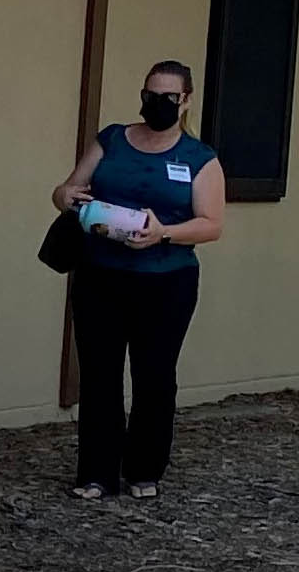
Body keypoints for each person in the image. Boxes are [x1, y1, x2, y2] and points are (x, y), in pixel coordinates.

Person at [49, 58, 227, 498]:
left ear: (185, 101)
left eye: (167, 98)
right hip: (101, 274)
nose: (156, 104)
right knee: (98, 373)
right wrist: (67, 197)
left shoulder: (199, 159)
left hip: (166, 280)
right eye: (150, 96)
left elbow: (211, 224)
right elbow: (66, 189)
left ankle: (145, 468)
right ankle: (95, 473)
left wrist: (163, 233)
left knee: (154, 375)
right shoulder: (112, 139)